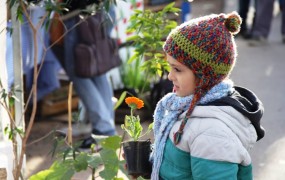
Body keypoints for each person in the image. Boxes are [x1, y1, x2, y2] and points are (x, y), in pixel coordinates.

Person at [150, 11, 265, 179]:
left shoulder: (212, 135)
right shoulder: (187, 106)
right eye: (170, 67)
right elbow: (179, 168)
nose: (170, 76)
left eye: (177, 69)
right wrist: (150, 167)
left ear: (204, 76)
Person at [51, 1, 117, 149]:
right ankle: (105, 129)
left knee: (79, 71)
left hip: (81, 14)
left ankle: (104, 129)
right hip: (102, 9)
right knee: (95, 69)